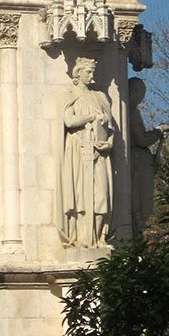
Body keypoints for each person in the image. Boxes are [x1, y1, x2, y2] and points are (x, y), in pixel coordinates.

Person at [60, 58, 114, 247]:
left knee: (101, 196)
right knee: (81, 196)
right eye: (88, 72)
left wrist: (108, 143)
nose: (92, 76)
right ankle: (82, 238)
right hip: (79, 149)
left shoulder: (100, 97)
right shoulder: (71, 94)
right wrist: (91, 117)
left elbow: (111, 128)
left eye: (93, 72)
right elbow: (68, 121)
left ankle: (99, 238)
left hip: (99, 151)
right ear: (78, 73)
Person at [128, 76, 169, 235]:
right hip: (137, 163)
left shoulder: (130, 110)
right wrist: (158, 132)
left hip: (140, 163)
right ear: (136, 91)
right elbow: (141, 139)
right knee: (139, 205)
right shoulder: (130, 111)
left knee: (141, 205)